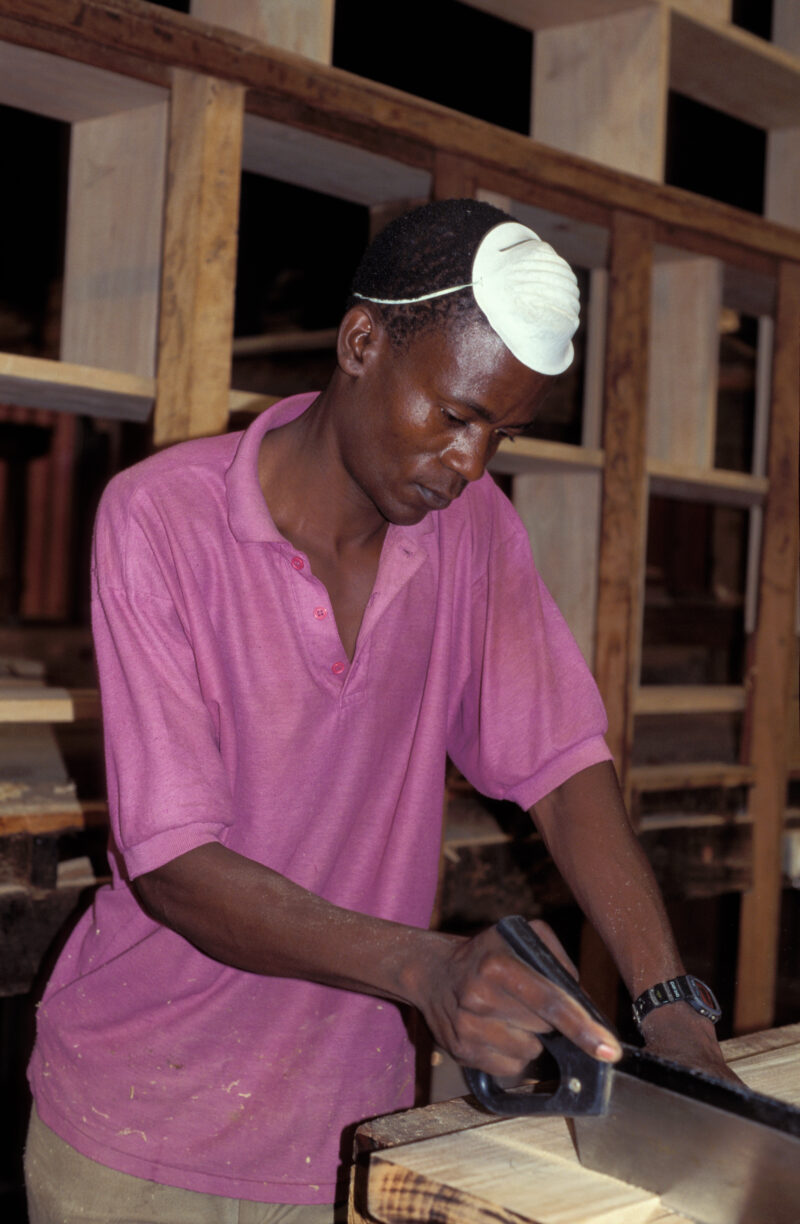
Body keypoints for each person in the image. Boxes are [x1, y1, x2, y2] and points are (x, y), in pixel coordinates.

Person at [25, 199, 732, 1223]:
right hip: (141, 1136)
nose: (470, 463)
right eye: (453, 414)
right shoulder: (159, 518)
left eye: (501, 432)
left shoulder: (473, 533)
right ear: (361, 342)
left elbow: (563, 767)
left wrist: (666, 1006)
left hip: (352, 1133)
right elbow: (174, 866)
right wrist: (428, 966)